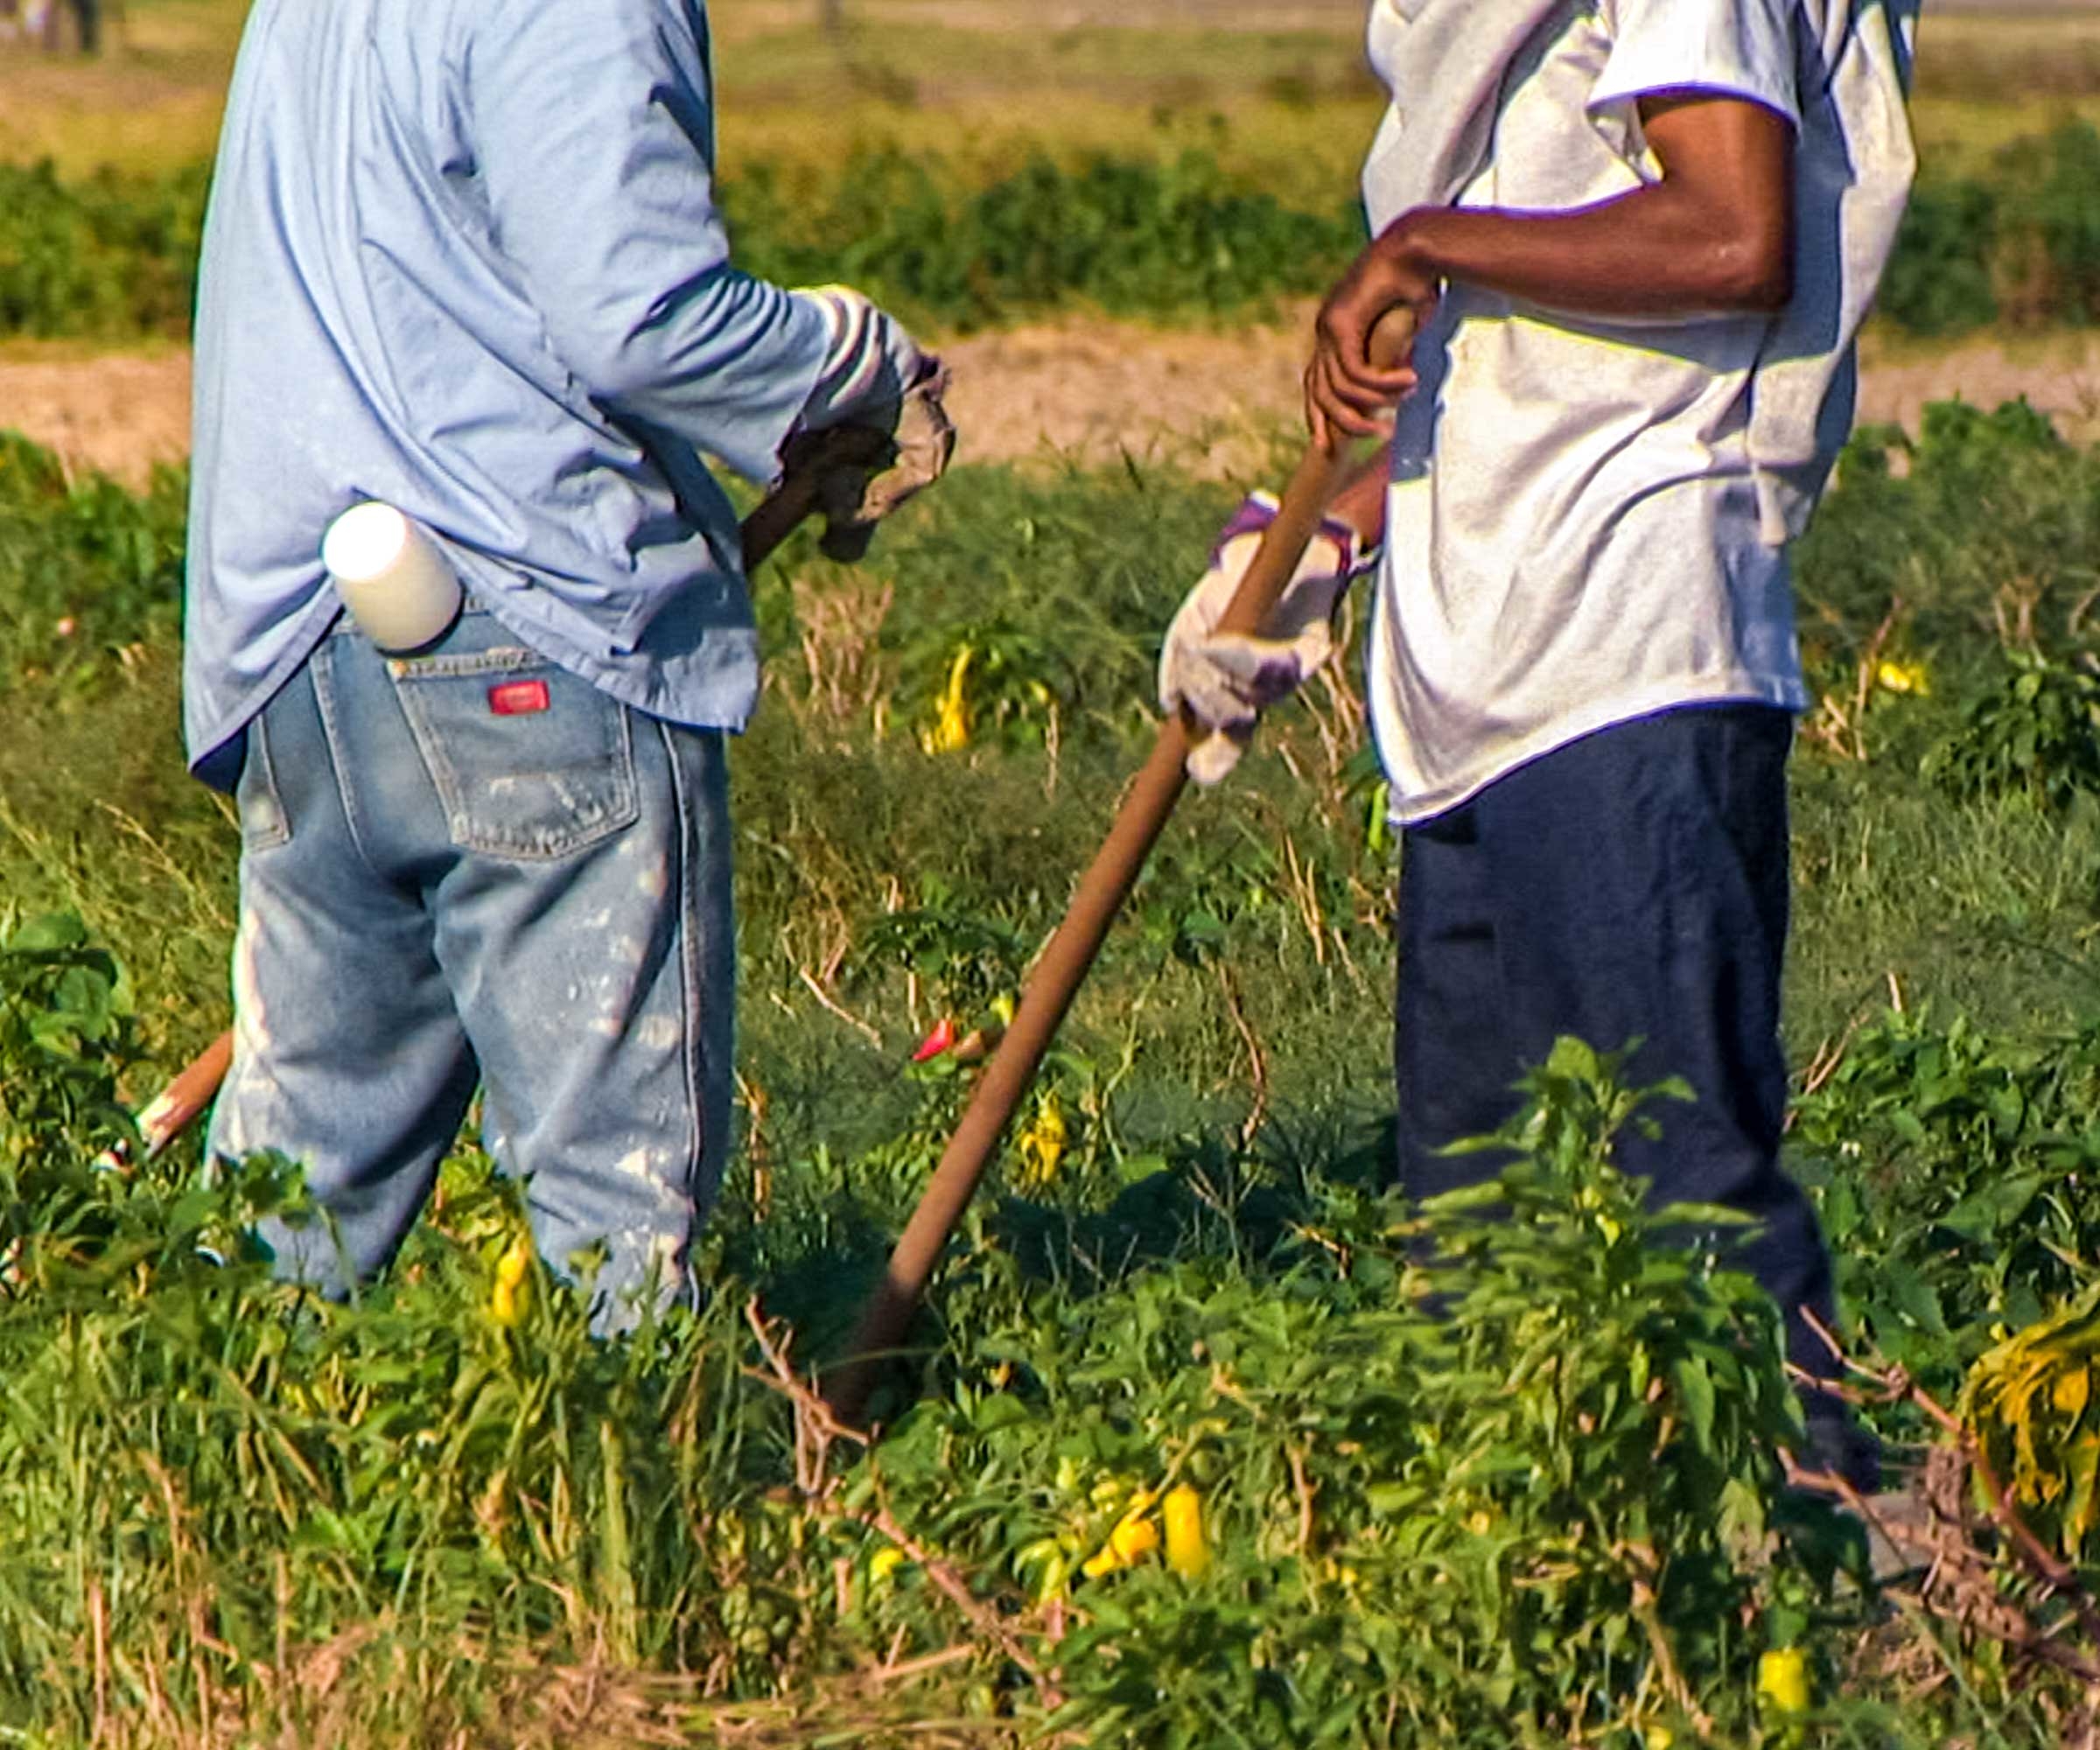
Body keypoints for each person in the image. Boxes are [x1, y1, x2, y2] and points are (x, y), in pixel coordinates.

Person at [1160, 0, 1916, 1488]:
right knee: (1483, 1237)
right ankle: (1534, 1613)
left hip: (1628, 651)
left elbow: (1728, 233)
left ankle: (1813, 1577)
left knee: (1681, 1187)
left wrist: (1433, 244)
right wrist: (1313, 541)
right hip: (1474, 685)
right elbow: (1537, 374)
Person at [184, 0, 948, 1321]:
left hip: (295, 650)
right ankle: (632, 1512)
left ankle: (199, 1508)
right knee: (617, 1227)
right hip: (525, 630)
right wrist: (847, 369)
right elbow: (638, 319)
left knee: (282, 1233)